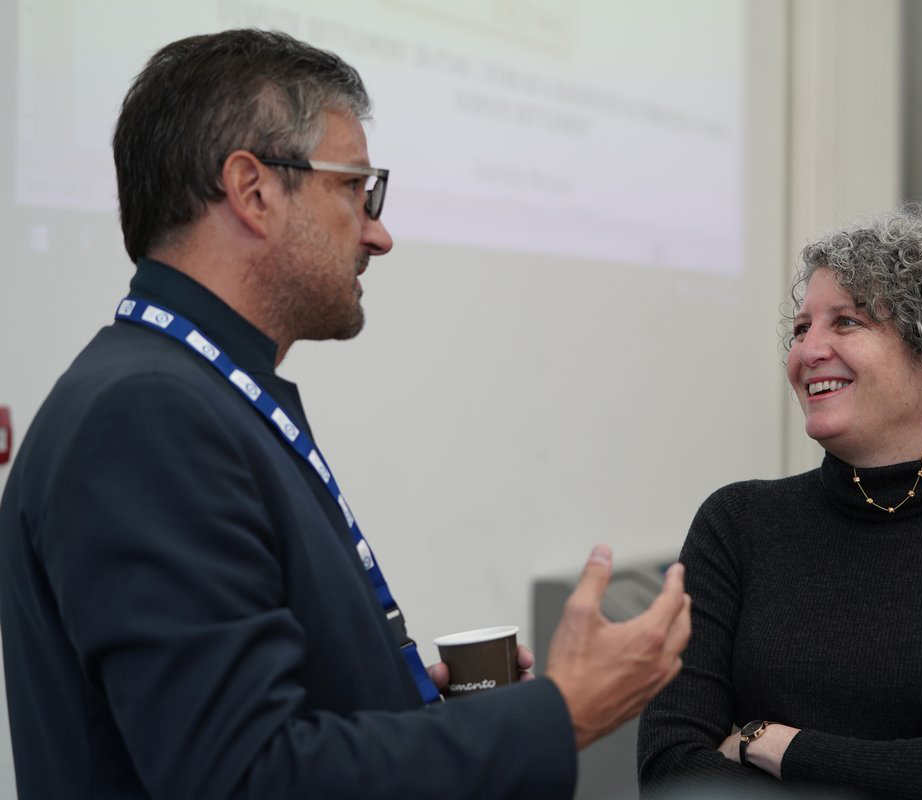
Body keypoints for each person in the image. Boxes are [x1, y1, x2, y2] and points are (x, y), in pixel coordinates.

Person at [0, 29, 691, 799]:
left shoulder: (190, 391)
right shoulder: (143, 417)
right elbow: (248, 778)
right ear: (253, 189)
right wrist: (561, 715)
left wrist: (416, 707)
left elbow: (264, 727)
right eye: (357, 188)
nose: (379, 233)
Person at [637, 204, 922, 799]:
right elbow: (671, 769)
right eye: (801, 329)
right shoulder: (736, 523)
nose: (808, 351)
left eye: (846, 322)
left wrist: (765, 742)